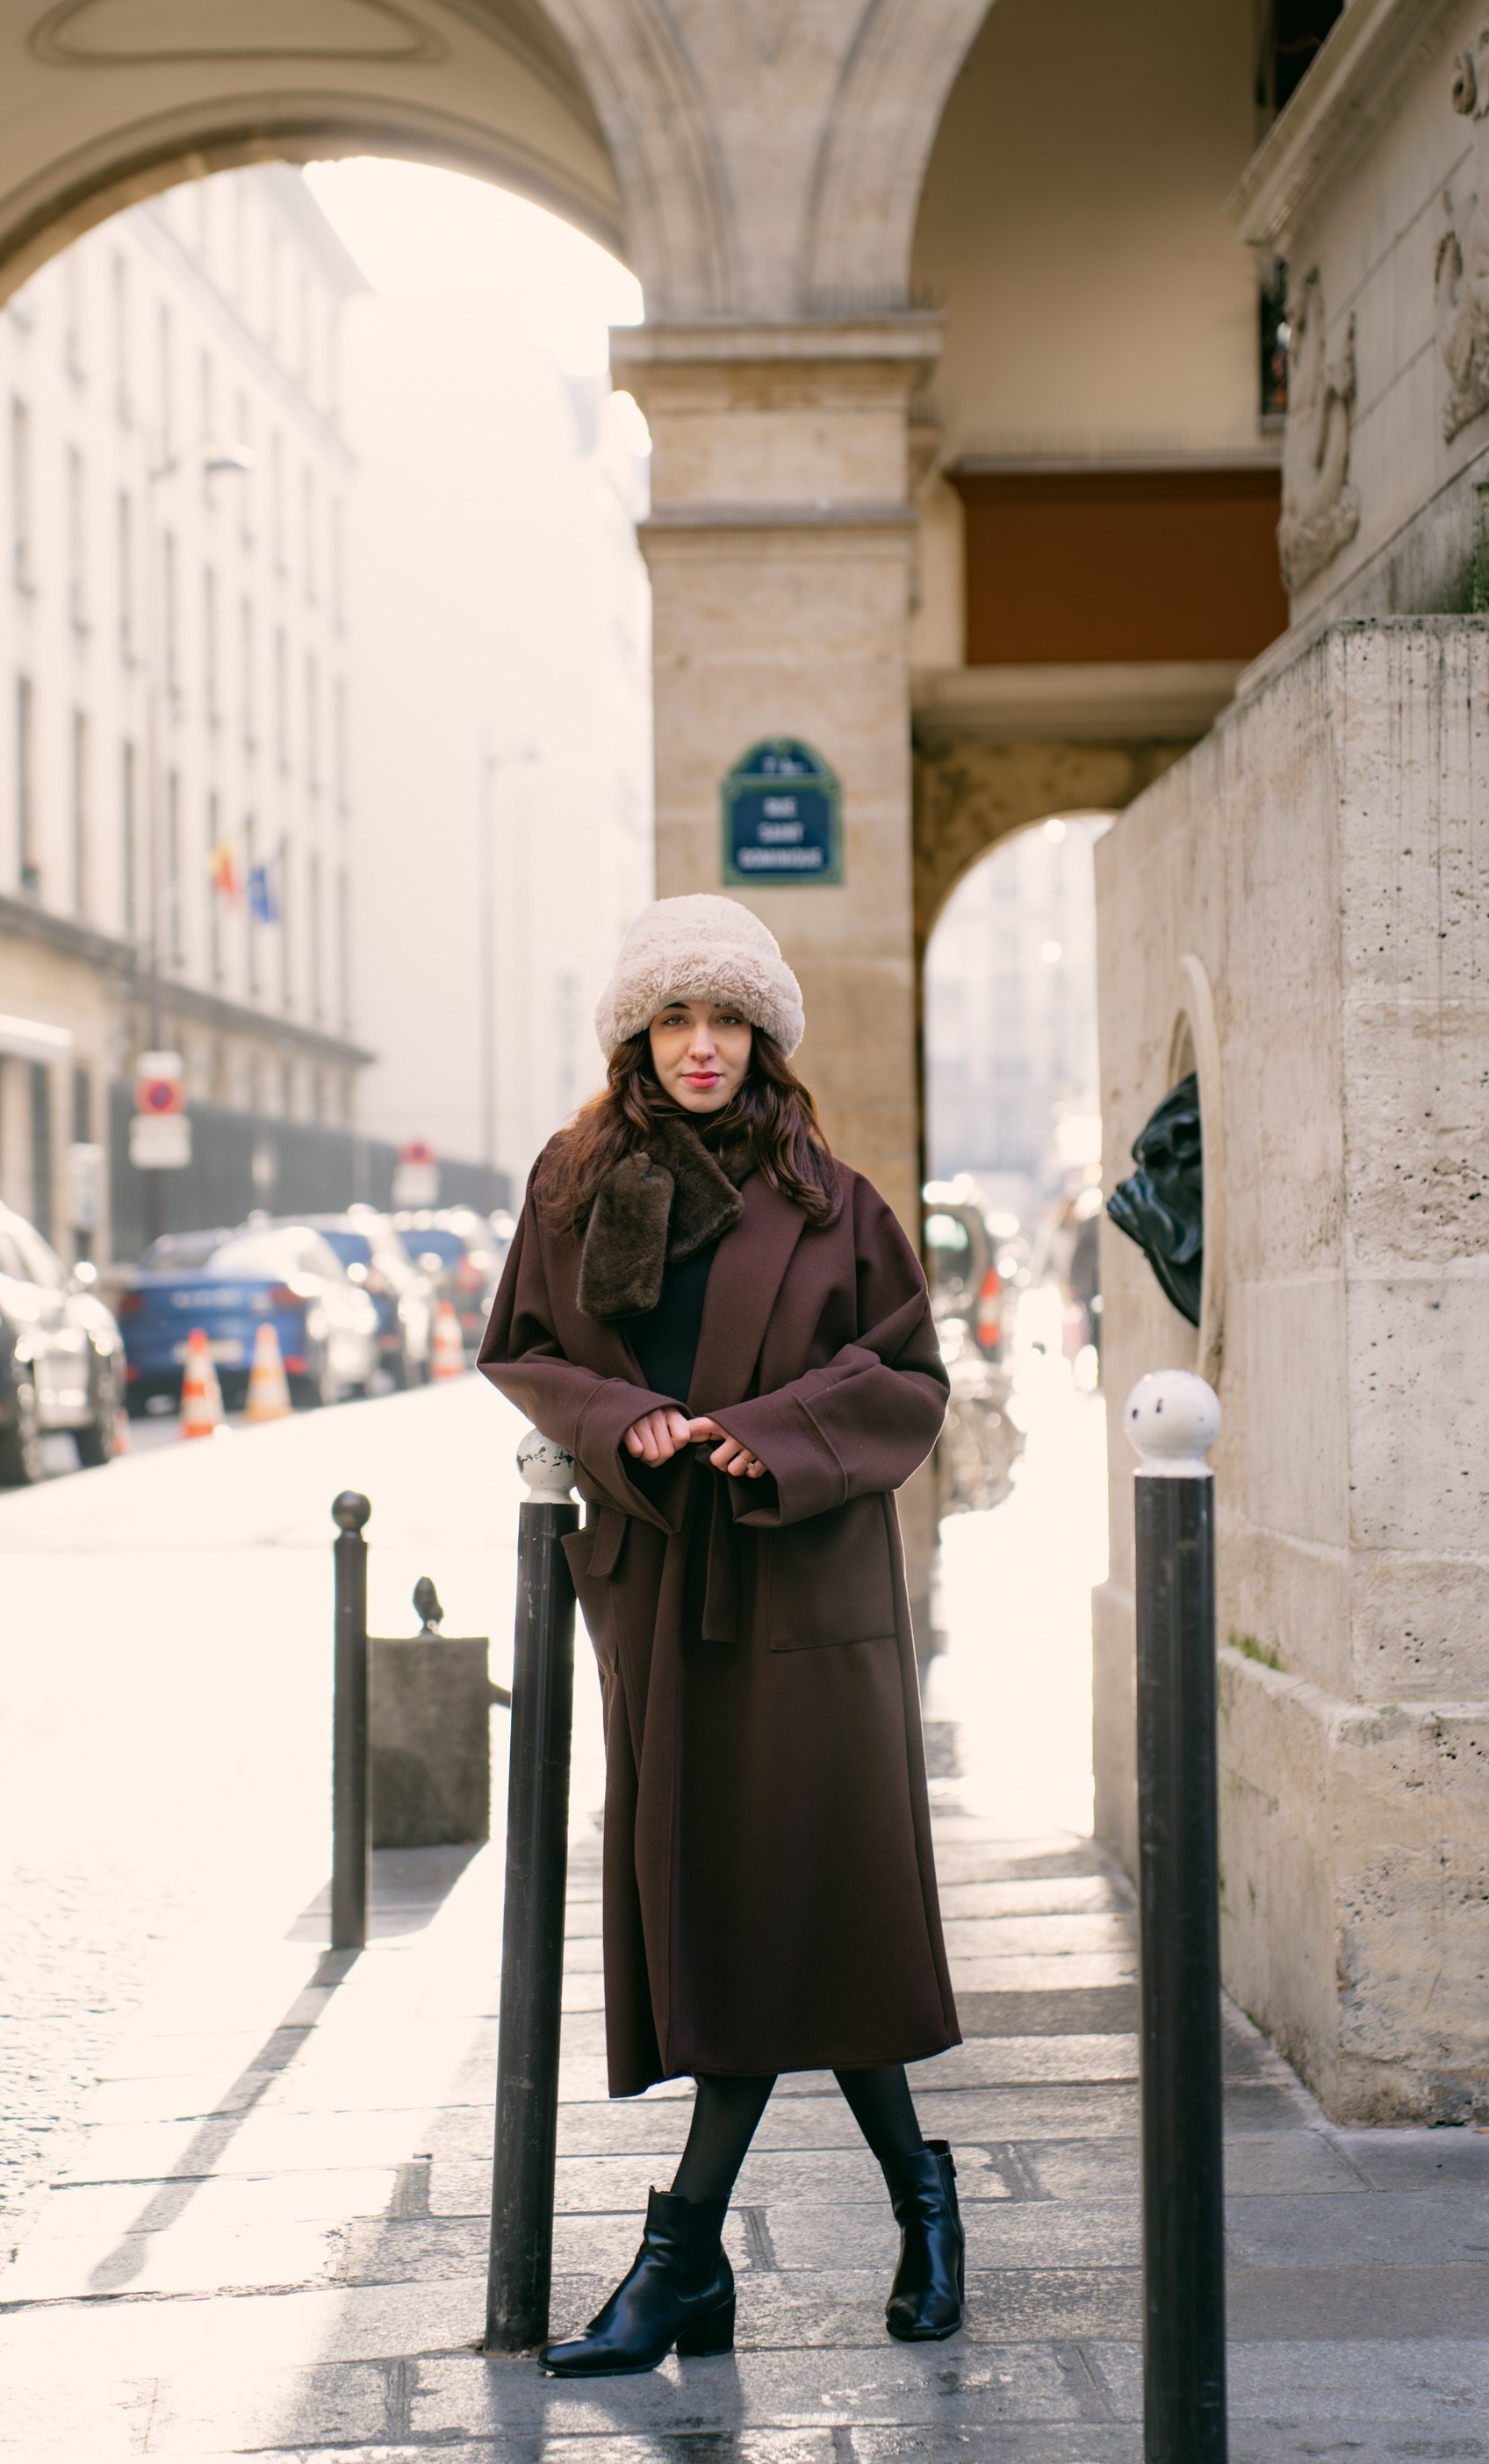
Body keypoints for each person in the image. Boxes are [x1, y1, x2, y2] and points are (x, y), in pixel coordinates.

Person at [479, 894, 962, 2379]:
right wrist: (627, 1417)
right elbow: (523, 1348)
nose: (703, 1046)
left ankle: (680, 2259)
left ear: (764, 1036)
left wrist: (780, 1432)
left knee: (801, 1900)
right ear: (637, 1034)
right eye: (676, 1018)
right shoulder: (572, 1187)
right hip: (659, 1588)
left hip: (807, 1588)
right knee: (757, 1906)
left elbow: (911, 1374)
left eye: (729, 1019)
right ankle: (921, 2202)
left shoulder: (834, 1200)